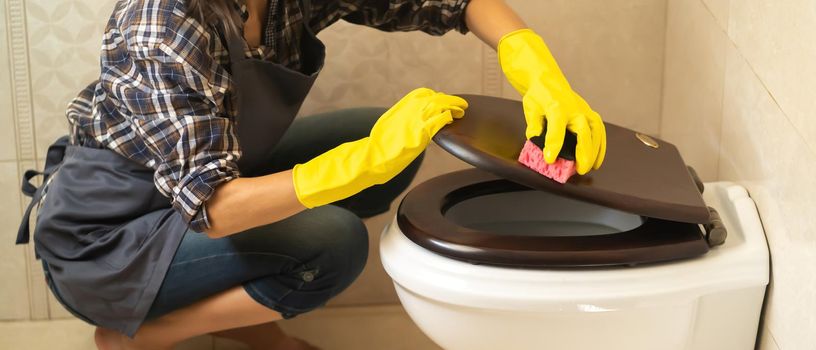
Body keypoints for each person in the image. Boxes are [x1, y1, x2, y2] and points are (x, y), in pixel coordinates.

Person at [15, 0, 606, 349]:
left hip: (205, 180)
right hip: (110, 237)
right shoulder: (163, 24)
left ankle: (248, 312)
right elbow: (214, 209)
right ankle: (146, 334)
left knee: (373, 146)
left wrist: (535, 65)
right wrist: (359, 163)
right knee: (333, 242)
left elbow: (452, 1)